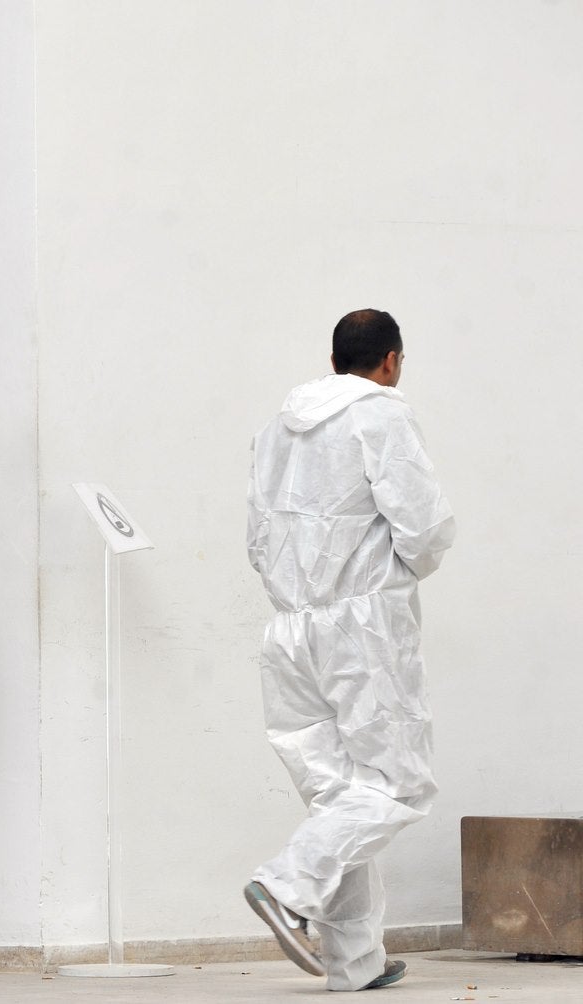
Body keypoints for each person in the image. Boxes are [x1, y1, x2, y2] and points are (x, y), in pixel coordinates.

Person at [243, 308, 456, 992]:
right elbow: (424, 529)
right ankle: (285, 885)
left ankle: (354, 961)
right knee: (397, 783)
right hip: (361, 628)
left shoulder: (277, 427)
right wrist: (384, 585)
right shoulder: (383, 415)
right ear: (390, 360)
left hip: (289, 628)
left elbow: (257, 539)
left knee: (341, 793)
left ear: (335, 360)